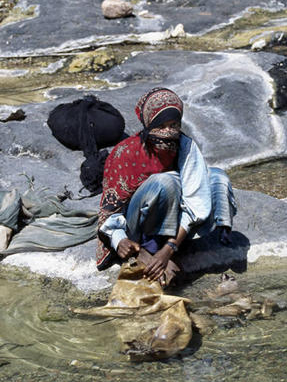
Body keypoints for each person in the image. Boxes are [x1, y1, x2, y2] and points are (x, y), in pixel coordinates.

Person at [96, 87, 237, 285]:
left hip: (176, 225)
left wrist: (169, 248)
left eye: (174, 125)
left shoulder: (185, 147)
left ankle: (167, 250)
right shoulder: (125, 153)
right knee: (167, 181)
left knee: (217, 178)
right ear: (149, 125)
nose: (168, 132)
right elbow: (110, 209)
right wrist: (120, 239)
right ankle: (147, 250)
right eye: (161, 126)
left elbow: (196, 203)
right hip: (138, 224)